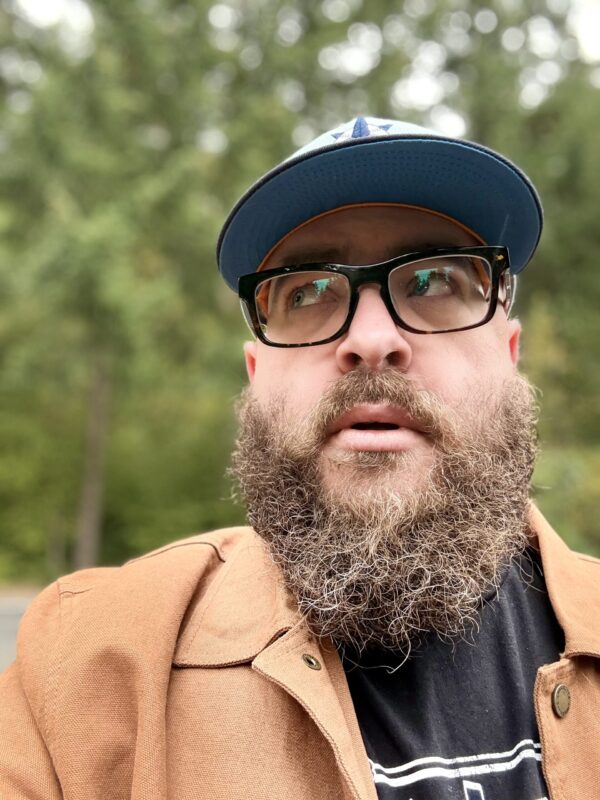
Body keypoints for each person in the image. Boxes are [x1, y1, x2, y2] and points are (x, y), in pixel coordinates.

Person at [1, 117, 598, 800]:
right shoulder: (83, 673)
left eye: (435, 280)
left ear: (510, 356)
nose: (373, 340)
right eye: (307, 291)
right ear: (257, 373)